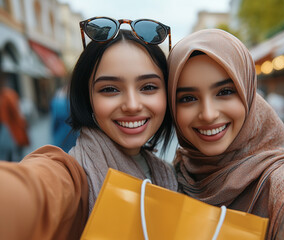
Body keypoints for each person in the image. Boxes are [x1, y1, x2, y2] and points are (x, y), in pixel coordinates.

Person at [0, 18, 177, 239]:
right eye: (110, 89)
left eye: (148, 87)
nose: (132, 105)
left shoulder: (169, 174)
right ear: (88, 98)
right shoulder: (73, 177)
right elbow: (34, 190)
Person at [167, 29, 284, 239]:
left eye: (224, 92)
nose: (208, 114)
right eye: (188, 98)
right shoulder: (178, 171)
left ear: (248, 93)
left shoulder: (283, 176)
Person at [0, 69, 30, 161]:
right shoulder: (9, 95)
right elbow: (19, 117)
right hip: (11, 135)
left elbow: (18, 117)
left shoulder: (8, 95)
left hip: (12, 135)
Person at [51, 84, 78, 152]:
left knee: (61, 150)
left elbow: (55, 121)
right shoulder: (74, 103)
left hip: (60, 133)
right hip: (72, 132)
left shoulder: (56, 103)